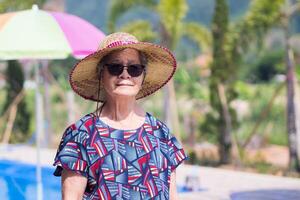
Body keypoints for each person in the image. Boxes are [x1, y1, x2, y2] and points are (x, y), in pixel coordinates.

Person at [53, 32, 187, 200]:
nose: (125, 75)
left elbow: (172, 195)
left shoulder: (160, 133)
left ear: (142, 76)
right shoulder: (81, 134)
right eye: (115, 67)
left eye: (134, 68)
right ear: (101, 74)